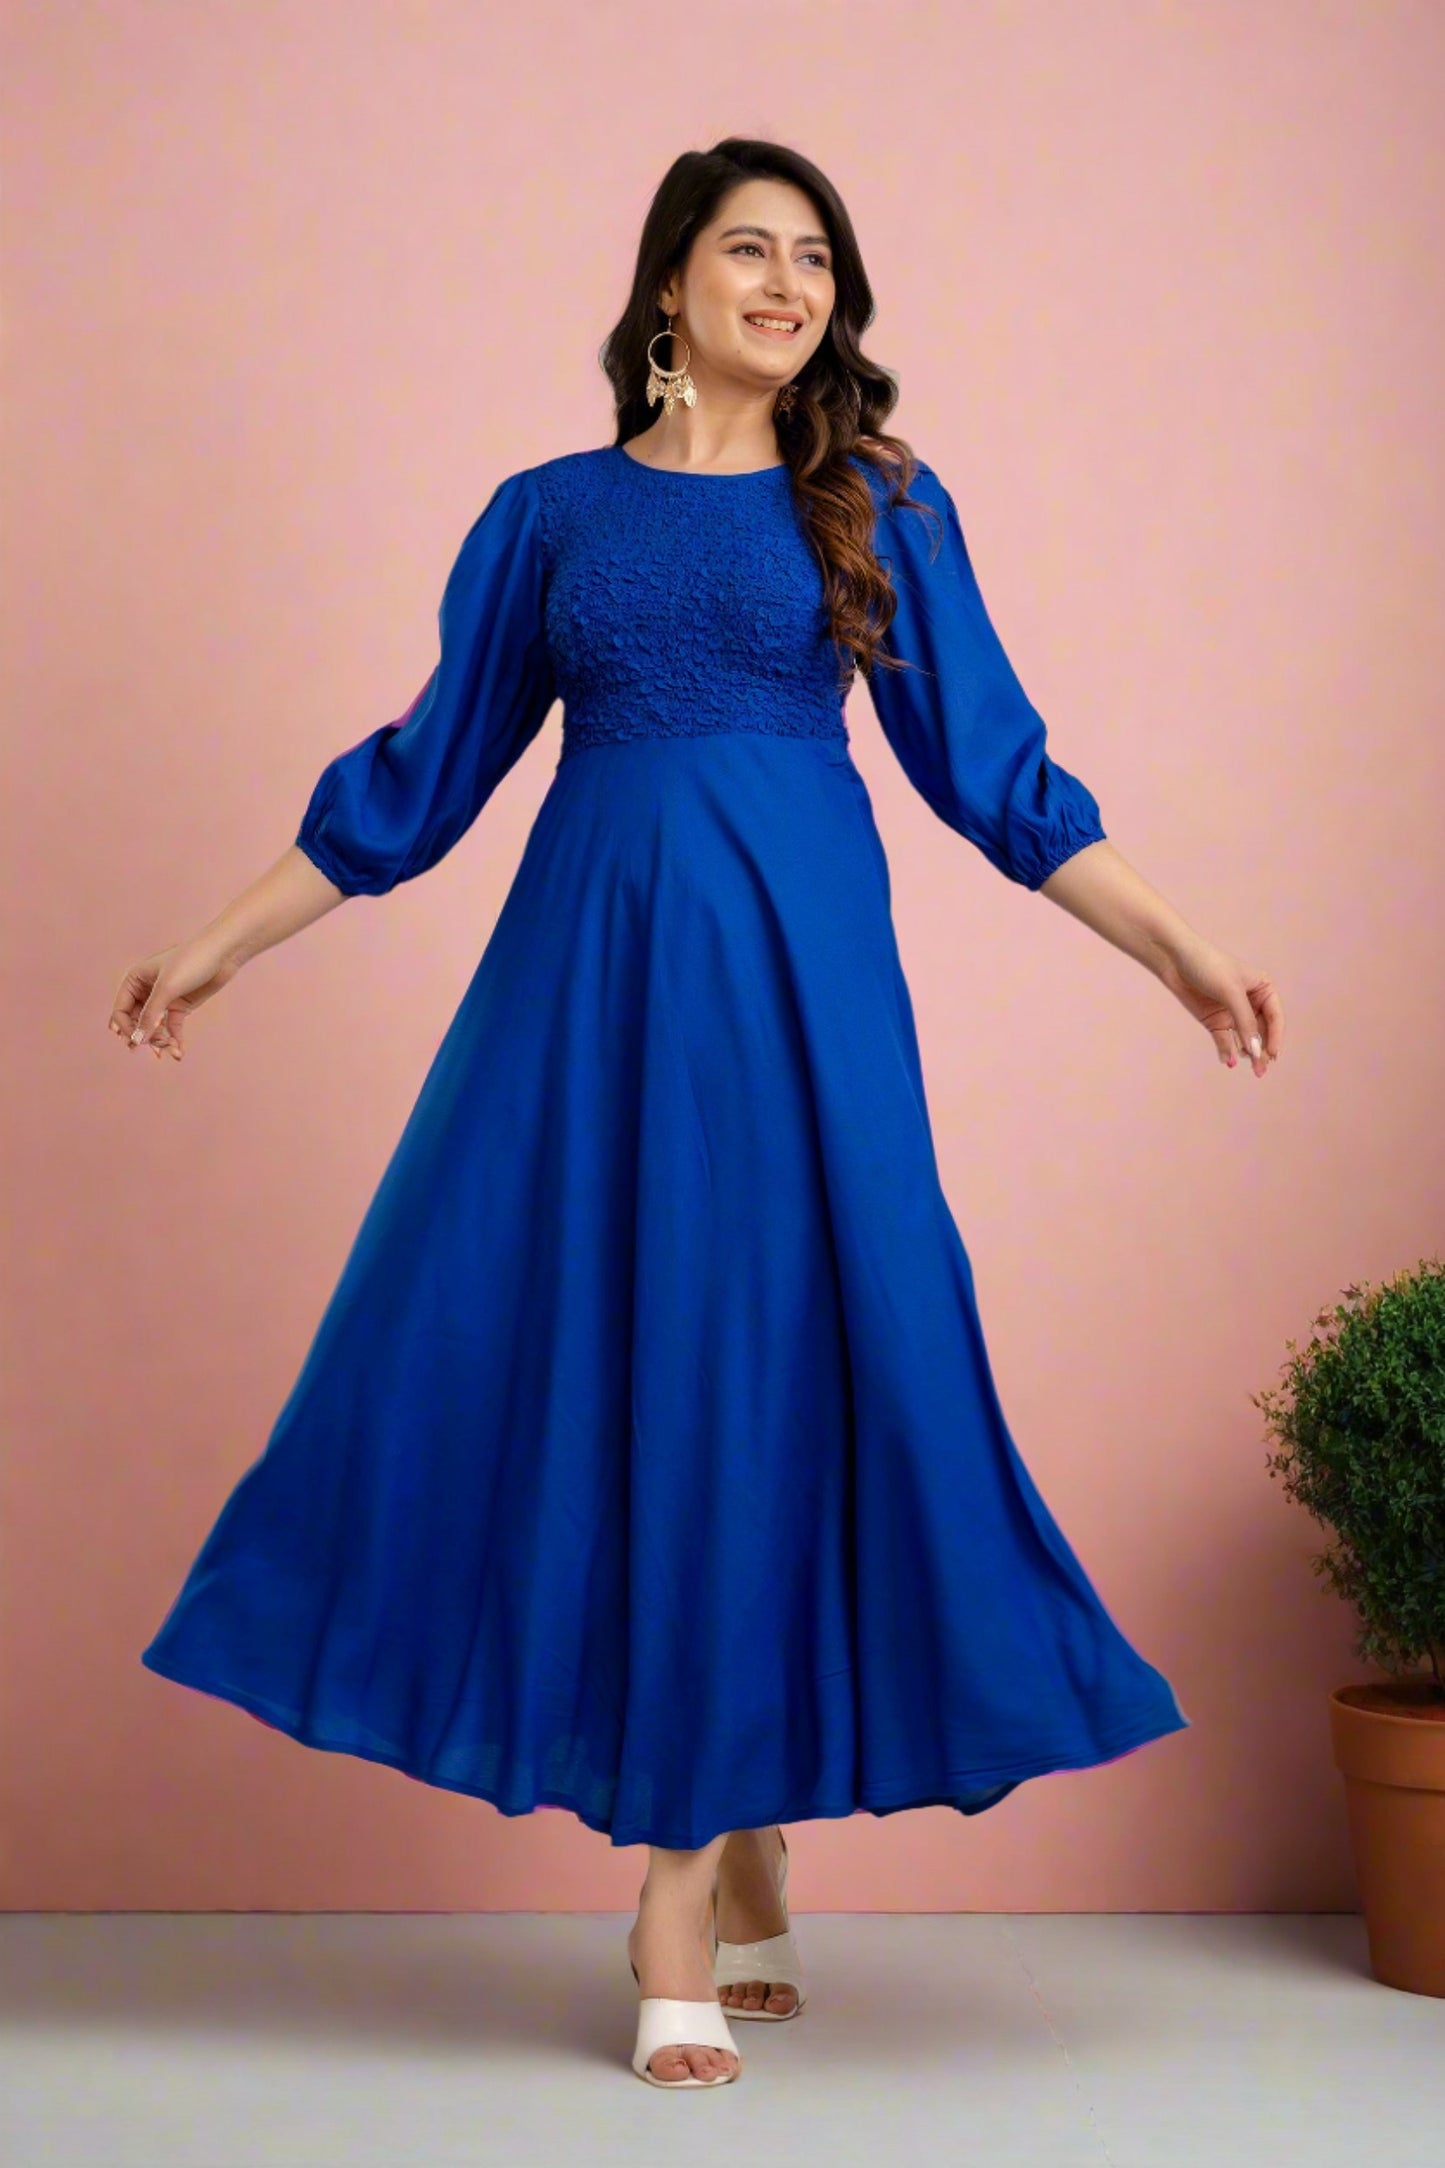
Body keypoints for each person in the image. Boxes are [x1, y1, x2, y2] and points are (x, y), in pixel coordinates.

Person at [113, 138, 1283, 2092]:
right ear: (669, 283)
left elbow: (995, 769)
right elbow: (419, 778)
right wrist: (219, 943)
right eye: (749, 248)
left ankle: (697, 1858)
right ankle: (709, 1857)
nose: (788, 283)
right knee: (588, 1370)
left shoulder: (880, 501)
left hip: (804, 999)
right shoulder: (549, 516)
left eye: (815, 257)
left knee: (794, 1372)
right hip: (590, 1005)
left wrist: (1174, 946)